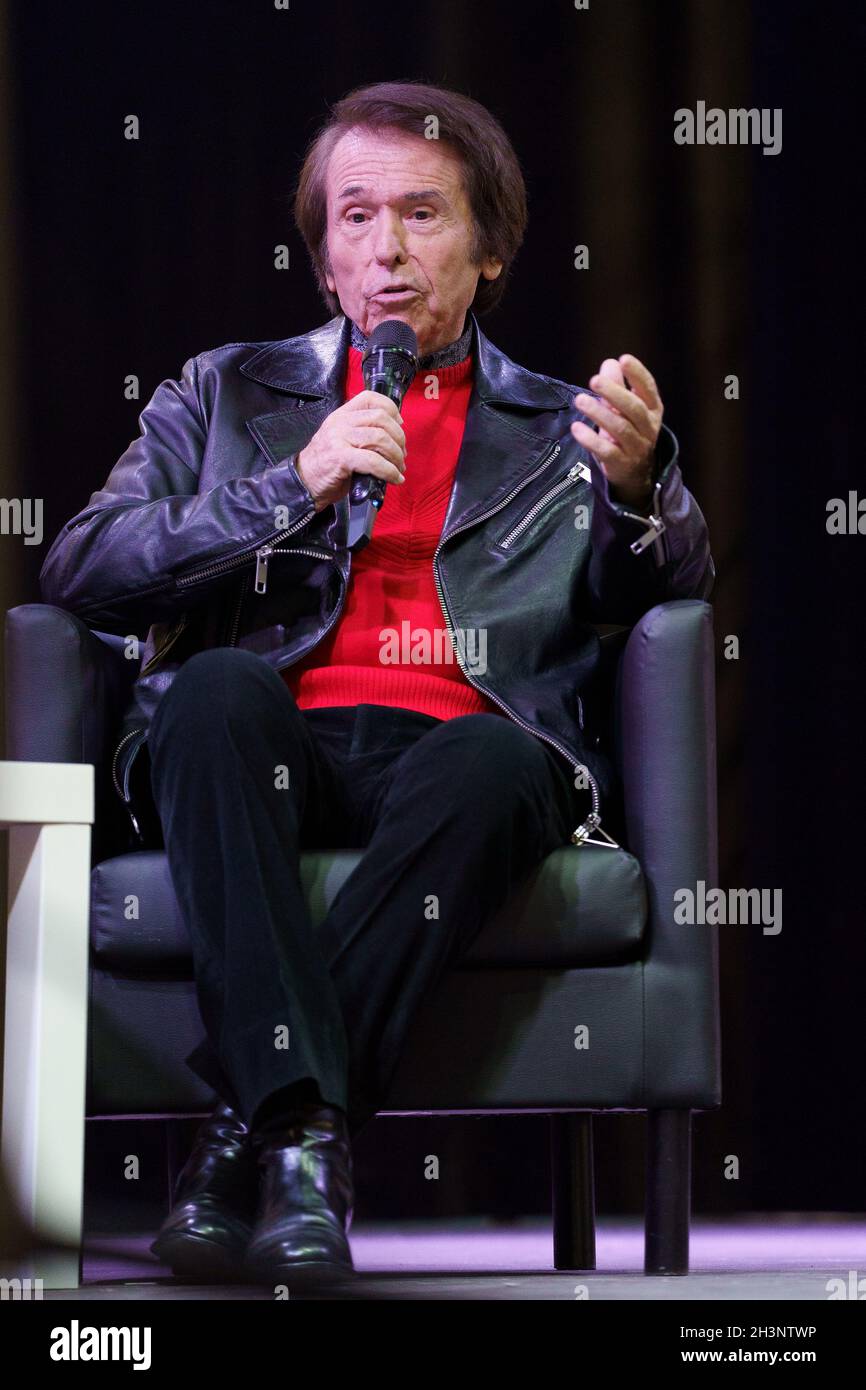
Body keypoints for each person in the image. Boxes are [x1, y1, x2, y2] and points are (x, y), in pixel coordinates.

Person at [39, 79, 714, 1289]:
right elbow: (84, 565)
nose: (387, 250)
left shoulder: (564, 426)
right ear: (323, 255)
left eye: (421, 214)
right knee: (211, 695)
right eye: (356, 217)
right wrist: (287, 482)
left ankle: (261, 1134)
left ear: (493, 248)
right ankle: (300, 1145)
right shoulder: (225, 393)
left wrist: (644, 487)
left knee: (500, 759)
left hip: (462, 752)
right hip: (271, 749)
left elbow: (663, 587)